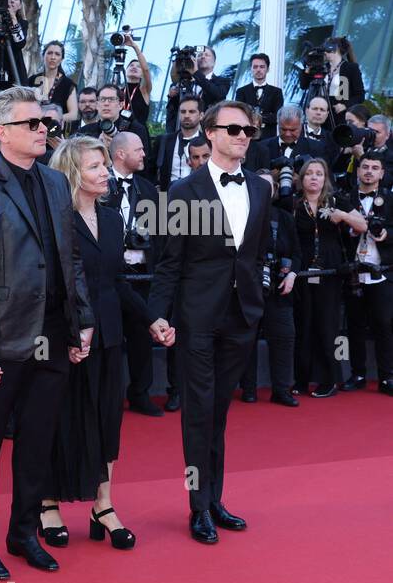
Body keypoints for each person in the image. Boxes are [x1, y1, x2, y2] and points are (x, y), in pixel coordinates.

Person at [0, 85, 94, 579]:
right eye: (32, 124)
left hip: (55, 334)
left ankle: (23, 533)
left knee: (38, 440)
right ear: (1, 133)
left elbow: (70, 257)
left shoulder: (57, 184)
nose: (44, 130)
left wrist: (82, 320)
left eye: (45, 123)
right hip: (2, 340)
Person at [147, 100, 272, 544]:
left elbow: (256, 254)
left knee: (218, 411)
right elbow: (167, 263)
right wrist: (158, 314)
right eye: (234, 129)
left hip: (242, 317)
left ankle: (215, 498)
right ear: (210, 132)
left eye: (249, 131)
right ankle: (197, 506)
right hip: (196, 318)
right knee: (198, 414)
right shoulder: (181, 192)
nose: (243, 137)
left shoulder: (261, 188)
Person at [40, 136, 152, 549]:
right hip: (67, 336)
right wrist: (74, 331)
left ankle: (103, 505)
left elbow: (116, 282)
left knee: (108, 418)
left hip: (109, 336)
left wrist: (150, 318)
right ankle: (47, 501)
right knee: (63, 418)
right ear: (72, 172)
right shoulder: (56, 220)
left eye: (104, 166)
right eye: (94, 167)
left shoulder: (110, 219)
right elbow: (56, 284)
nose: (105, 173)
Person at [103, 131, 165, 416]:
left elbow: (161, 232)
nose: (144, 154)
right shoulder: (100, 185)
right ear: (120, 154)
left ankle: (140, 393)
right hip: (111, 275)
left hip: (141, 275)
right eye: (139, 149)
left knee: (141, 337)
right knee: (112, 338)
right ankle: (109, 397)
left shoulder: (149, 189)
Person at [292, 157, 361, 398]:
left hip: (330, 273)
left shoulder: (336, 201)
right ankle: (301, 380)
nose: (314, 177)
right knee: (304, 325)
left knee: (326, 326)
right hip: (301, 274)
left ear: (325, 178)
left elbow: (362, 225)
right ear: (301, 178)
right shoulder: (293, 204)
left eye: (319, 173)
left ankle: (329, 380)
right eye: (309, 173)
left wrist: (341, 215)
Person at [238, 169, 300, 405]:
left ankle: (282, 390)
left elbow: (297, 253)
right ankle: (249, 389)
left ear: (274, 190)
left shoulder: (284, 218)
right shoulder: (240, 215)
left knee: (284, 338)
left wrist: (292, 273)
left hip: (280, 288)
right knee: (245, 340)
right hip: (246, 289)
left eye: (268, 187)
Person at [338, 154, 393, 394]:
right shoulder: (344, 198)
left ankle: (386, 377)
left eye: (375, 168)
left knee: (384, 325)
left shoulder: (391, 199)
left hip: (381, 273)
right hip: (353, 272)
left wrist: (387, 235)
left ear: (382, 173)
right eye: (365, 167)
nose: (369, 172)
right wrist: (349, 229)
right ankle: (357, 374)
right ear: (358, 171)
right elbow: (333, 230)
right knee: (355, 325)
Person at [164, 45, 228, 133]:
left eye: (207, 55)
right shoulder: (184, 82)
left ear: (214, 62)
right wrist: (171, 96)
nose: (203, 57)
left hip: (207, 133)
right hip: (182, 131)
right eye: (200, 55)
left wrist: (196, 73)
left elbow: (218, 94)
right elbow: (173, 111)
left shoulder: (222, 81)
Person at [152, 94, 205, 191]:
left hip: (198, 199)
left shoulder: (209, 143)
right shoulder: (163, 141)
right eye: (183, 112)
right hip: (166, 198)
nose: (187, 115)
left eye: (192, 112)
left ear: (201, 115)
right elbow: (150, 171)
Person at [234, 53, 284, 141]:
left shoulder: (277, 92)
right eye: (255, 67)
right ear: (251, 69)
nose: (258, 70)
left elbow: (278, 116)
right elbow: (239, 114)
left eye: (262, 67)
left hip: (269, 138)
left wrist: (259, 119)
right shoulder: (241, 91)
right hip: (247, 137)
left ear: (267, 69)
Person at [29, 41, 78, 125]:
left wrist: (53, 118)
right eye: (49, 53)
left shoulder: (68, 84)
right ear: (43, 56)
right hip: (32, 126)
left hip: (54, 129)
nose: (53, 57)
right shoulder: (32, 80)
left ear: (62, 59)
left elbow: (73, 114)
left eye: (57, 54)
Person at [322, 36, 364, 125]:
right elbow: (304, 85)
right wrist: (308, 68)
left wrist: (345, 105)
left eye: (328, 47)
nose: (325, 51)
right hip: (320, 116)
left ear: (337, 49)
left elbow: (360, 95)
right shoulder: (322, 68)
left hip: (338, 118)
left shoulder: (351, 68)